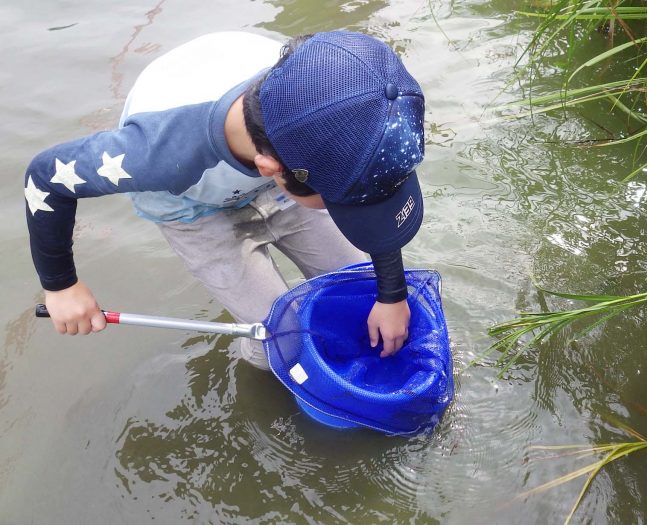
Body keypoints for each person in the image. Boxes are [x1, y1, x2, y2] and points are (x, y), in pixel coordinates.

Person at [24, 30, 426, 370]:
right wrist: (61, 285)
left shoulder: (333, 89)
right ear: (271, 168)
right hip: (190, 206)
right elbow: (45, 176)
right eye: (344, 200)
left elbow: (376, 185)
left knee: (362, 287)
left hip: (284, 168)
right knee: (276, 341)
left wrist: (390, 293)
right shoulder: (158, 154)